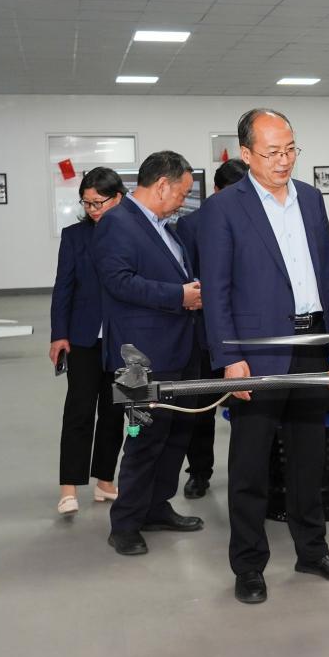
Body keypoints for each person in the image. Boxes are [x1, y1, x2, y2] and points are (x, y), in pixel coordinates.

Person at [200, 108, 329, 604]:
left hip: (311, 344)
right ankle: (249, 564)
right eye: (272, 152)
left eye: (290, 149)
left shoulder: (310, 199)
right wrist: (230, 358)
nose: (283, 160)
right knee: (250, 466)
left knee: (309, 459)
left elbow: (325, 272)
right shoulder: (224, 209)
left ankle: (312, 551)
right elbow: (216, 291)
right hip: (256, 353)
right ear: (246, 154)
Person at [94, 151, 204, 556]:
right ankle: (125, 524)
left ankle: (156, 507)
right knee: (144, 439)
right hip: (140, 357)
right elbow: (118, 282)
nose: (184, 201)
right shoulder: (116, 223)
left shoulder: (163, 227)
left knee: (176, 434)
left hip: (180, 348)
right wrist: (179, 295)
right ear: (161, 185)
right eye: (183, 193)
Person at [48, 167, 125, 516]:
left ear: (118, 198)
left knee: (114, 411)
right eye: (87, 203)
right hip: (82, 338)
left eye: (99, 202)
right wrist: (58, 335)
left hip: (121, 339)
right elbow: (63, 288)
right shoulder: (74, 236)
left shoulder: (132, 234)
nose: (92, 209)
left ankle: (105, 481)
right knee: (79, 410)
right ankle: (68, 487)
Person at [178, 158, 248, 500]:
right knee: (202, 405)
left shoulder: (255, 219)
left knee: (250, 403)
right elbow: (185, 274)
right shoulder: (190, 225)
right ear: (216, 190)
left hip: (249, 329)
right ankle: (199, 472)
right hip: (206, 328)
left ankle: (251, 473)